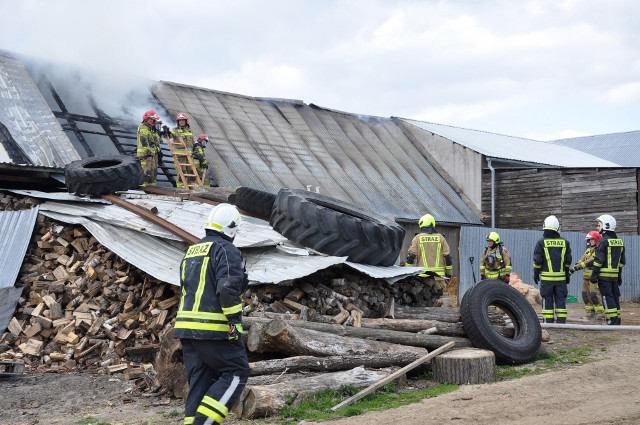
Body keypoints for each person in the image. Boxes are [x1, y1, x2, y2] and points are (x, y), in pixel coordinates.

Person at [173, 203, 250, 424]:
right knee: (237, 372)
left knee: (201, 379)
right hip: (214, 329)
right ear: (232, 228)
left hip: (187, 330)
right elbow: (226, 289)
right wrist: (235, 323)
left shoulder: (191, 251)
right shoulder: (226, 249)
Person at [533, 215, 572, 323]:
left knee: (547, 300)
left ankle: (548, 322)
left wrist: (536, 274)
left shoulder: (541, 242)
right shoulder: (565, 242)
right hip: (561, 280)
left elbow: (538, 261)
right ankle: (561, 322)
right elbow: (568, 261)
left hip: (547, 279)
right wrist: (567, 275)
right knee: (561, 300)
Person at [590, 214, 625, 325]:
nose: (597, 227)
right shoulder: (620, 242)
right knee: (615, 297)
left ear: (606, 226)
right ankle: (617, 320)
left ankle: (611, 321)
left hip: (604, 277)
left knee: (606, 297)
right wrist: (619, 275)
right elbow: (622, 262)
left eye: (599, 225)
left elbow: (598, 261)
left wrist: (594, 275)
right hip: (614, 277)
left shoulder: (603, 242)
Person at [405, 213, 453, 294]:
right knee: (441, 301)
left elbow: (411, 256)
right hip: (439, 278)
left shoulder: (417, 238)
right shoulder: (441, 238)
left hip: (422, 278)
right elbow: (447, 257)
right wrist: (449, 274)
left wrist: (407, 273)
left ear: (422, 224)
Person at [570, 231, 604, 321]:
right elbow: (582, 259)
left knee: (594, 295)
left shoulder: (598, 250)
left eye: (592, 239)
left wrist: (576, 267)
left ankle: (599, 314)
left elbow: (590, 261)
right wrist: (575, 265)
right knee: (585, 295)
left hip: (594, 277)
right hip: (586, 277)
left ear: (597, 239)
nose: (590, 240)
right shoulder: (588, 249)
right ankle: (590, 314)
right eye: (589, 239)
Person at [166, 112, 195, 188]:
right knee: (181, 172)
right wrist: (166, 131)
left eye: (183, 120)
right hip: (180, 156)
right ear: (177, 122)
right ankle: (180, 187)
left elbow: (192, 143)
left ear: (186, 121)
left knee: (191, 172)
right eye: (180, 120)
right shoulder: (174, 130)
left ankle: (192, 187)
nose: (181, 121)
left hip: (189, 156)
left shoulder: (190, 131)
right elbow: (169, 135)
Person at [136, 110, 160, 186]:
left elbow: (152, 142)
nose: (151, 121)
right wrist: (148, 153)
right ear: (146, 118)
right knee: (146, 170)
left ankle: (149, 186)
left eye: (153, 119)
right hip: (145, 154)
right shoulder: (144, 128)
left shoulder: (148, 128)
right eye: (150, 119)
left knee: (151, 170)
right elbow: (144, 141)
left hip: (149, 154)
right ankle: (143, 186)